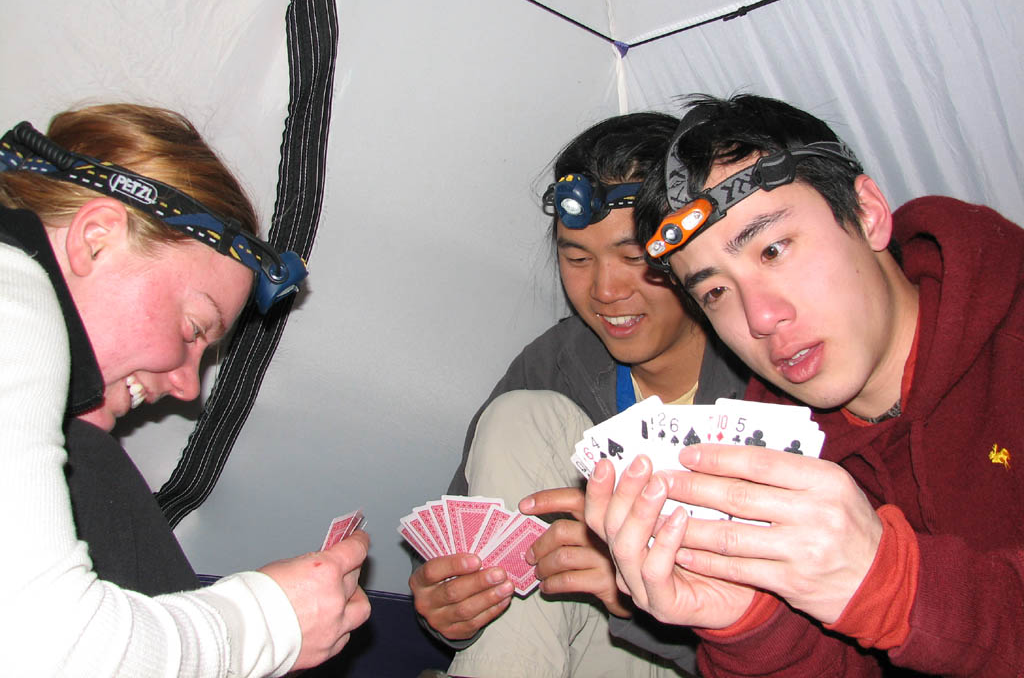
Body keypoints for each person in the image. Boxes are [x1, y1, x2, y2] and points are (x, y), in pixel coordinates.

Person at [584, 93, 1024, 677]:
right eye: (715, 292)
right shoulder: (770, 457)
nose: (760, 317)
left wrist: (893, 585)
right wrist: (748, 627)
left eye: (773, 248)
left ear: (866, 214)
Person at [0, 103, 371, 676]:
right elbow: (48, 644)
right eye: (194, 328)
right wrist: (270, 621)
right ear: (96, 238)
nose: (186, 386)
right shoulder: (11, 297)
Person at [410, 113, 748, 677]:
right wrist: (446, 605)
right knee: (523, 418)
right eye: (577, 259)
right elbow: (460, 559)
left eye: (635, 258)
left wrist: (646, 602)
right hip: (567, 651)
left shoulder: (765, 363)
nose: (605, 291)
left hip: (718, 656)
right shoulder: (553, 366)